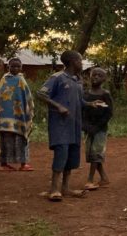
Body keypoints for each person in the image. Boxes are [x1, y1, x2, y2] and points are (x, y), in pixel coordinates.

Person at [36, 50, 90, 201]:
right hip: (60, 125)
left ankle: (65, 188)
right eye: (80, 61)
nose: (82, 63)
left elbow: (80, 101)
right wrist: (57, 106)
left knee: (72, 156)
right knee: (61, 153)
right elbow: (40, 94)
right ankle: (54, 189)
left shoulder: (78, 80)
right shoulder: (57, 78)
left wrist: (92, 104)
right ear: (73, 62)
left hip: (74, 126)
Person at [0, 57, 33, 171]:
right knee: (6, 141)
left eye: (18, 66)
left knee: (21, 139)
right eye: (13, 66)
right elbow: (0, 96)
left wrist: (28, 110)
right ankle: (4, 163)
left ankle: (23, 163)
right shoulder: (4, 79)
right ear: (8, 67)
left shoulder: (21, 80)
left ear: (21, 68)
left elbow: (27, 97)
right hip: (5, 116)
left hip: (19, 116)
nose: (15, 68)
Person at [82, 67, 114, 189]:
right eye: (94, 74)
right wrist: (85, 126)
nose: (95, 77)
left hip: (100, 129)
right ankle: (104, 178)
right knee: (92, 154)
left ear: (104, 79)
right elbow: (82, 110)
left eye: (99, 75)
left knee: (96, 153)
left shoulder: (105, 94)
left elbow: (109, 113)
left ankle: (90, 180)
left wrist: (98, 126)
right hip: (88, 128)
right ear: (89, 76)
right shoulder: (85, 94)